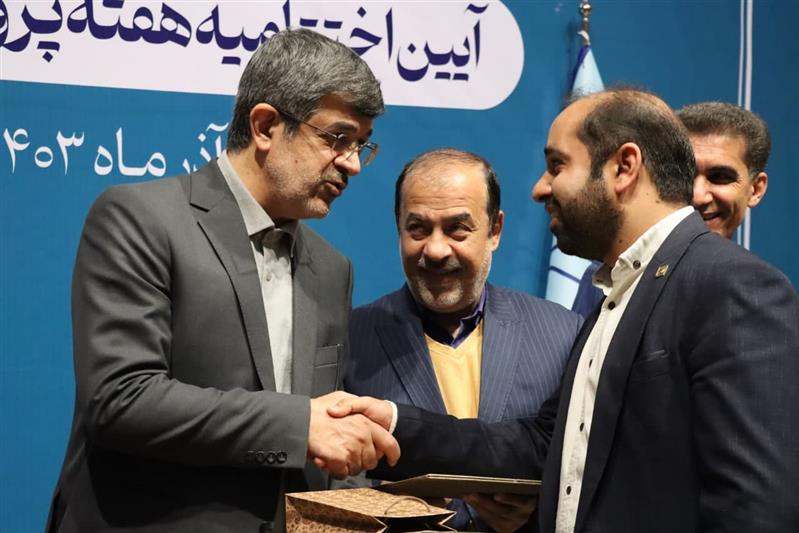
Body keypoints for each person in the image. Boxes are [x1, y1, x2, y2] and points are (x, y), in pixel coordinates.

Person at [330, 89, 799, 532]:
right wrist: (394, 420)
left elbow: (756, 508)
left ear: (624, 168)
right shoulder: (614, 297)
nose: (541, 188)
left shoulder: (733, 286)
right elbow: (542, 444)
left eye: (557, 165)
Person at [46, 29, 399, 533]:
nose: (353, 164)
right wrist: (300, 424)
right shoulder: (140, 218)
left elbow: (320, 442)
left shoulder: (332, 268)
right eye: (337, 139)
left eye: (362, 145)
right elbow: (121, 399)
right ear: (265, 126)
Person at [345, 148, 582, 531]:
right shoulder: (349, 339)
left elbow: (584, 471)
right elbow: (323, 478)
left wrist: (536, 511)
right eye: (418, 229)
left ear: (495, 230)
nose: (436, 250)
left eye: (457, 228)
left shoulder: (564, 334)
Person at [572, 101, 772, 318]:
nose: (697, 195)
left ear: (755, 190)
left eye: (720, 177)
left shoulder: (758, 291)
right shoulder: (608, 278)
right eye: (685, 175)